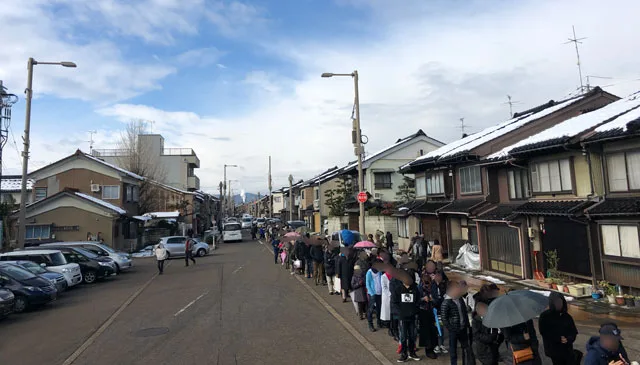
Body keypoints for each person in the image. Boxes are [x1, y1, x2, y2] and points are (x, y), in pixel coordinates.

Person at [539, 292, 579, 365]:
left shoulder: (567, 316)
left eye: (560, 302)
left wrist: (568, 339)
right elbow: (544, 332)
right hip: (554, 350)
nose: (559, 304)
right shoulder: (545, 316)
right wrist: (558, 338)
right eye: (557, 302)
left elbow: (573, 332)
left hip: (567, 350)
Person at [392, 267, 421, 362]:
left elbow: (418, 302)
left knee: (412, 335)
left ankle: (412, 352)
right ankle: (404, 353)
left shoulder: (415, 289)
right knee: (403, 336)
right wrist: (400, 312)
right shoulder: (398, 289)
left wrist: (414, 311)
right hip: (402, 317)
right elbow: (394, 302)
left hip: (412, 317)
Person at [442, 281, 471, 365]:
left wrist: (466, 323)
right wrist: (451, 329)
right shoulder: (446, 302)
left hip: (463, 328)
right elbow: (444, 319)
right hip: (454, 330)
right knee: (453, 349)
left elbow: (463, 312)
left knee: (465, 348)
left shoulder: (460, 299)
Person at [417, 271, 439, 359]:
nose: (427, 284)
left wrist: (432, 299)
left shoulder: (433, 286)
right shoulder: (419, 288)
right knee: (425, 332)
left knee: (433, 331)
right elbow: (416, 300)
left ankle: (433, 347)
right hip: (423, 311)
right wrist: (423, 299)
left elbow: (437, 299)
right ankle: (428, 349)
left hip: (432, 311)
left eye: (428, 282)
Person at [430, 270, 448, 354]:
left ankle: (441, 344)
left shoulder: (444, 285)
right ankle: (436, 344)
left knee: (441, 327)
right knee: (435, 327)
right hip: (434, 310)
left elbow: (444, 296)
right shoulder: (431, 285)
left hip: (441, 310)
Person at [365, 262, 383, 332]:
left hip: (379, 292)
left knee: (379, 308)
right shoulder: (369, 272)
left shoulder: (380, 272)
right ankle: (370, 324)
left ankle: (379, 322)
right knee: (371, 309)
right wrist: (372, 293)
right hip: (372, 293)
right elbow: (367, 284)